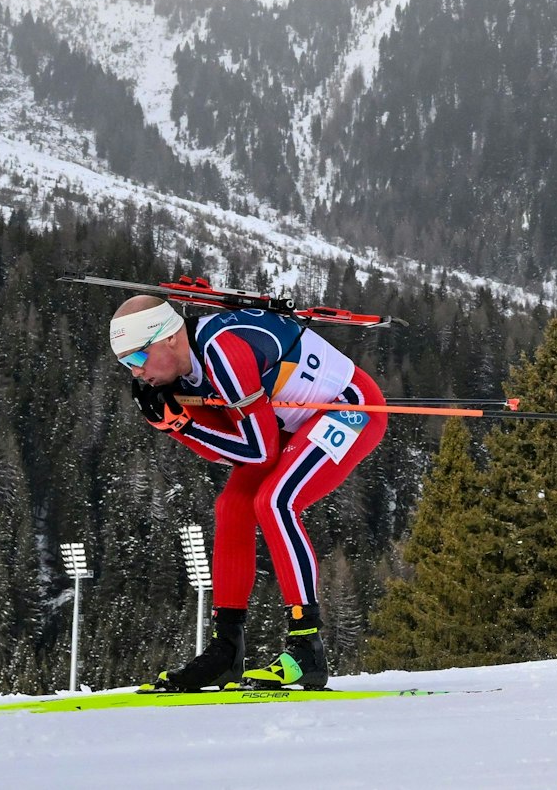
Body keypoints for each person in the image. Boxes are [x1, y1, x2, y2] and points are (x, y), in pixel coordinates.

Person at [110, 296, 388, 691]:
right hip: (291, 424)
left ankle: (307, 647)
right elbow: (238, 449)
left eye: (137, 358)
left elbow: (259, 452)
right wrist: (180, 423)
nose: (136, 373)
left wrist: (182, 427)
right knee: (232, 507)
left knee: (275, 502)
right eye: (126, 365)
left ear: (170, 338)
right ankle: (227, 651)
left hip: (349, 409)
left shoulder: (223, 351)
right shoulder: (186, 368)